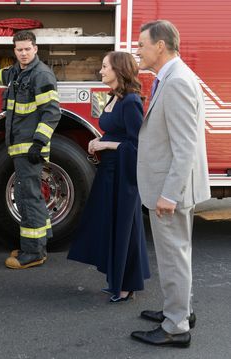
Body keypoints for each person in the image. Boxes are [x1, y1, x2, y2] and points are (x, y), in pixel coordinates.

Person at [131, 20, 210, 347]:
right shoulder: (174, 76)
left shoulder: (176, 81)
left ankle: (175, 328)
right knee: (179, 254)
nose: (138, 51)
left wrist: (168, 194)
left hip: (171, 189)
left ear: (160, 46)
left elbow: (184, 146)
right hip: (175, 186)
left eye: (142, 45)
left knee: (173, 256)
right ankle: (179, 310)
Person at [0, 30, 61, 269]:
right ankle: (38, 243)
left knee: (28, 197)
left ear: (35, 48)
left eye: (27, 49)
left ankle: (33, 252)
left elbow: (52, 112)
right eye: (19, 50)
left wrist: (39, 143)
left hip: (30, 148)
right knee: (31, 195)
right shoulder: (17, 72)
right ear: (14, 51)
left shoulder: (41, 75)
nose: (23, 53)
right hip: (19, 146)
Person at [67, 51, 150, 302]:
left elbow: (138, 146)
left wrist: (106, 146)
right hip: (109, 173)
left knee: (126, 227)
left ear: (118, 70)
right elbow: (118, 133)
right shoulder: (114, 97)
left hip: (124, 176)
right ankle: (118, 281)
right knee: (112, 226)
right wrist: (99, 140)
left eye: (105, 67)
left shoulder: (131, 101)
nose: (100, 71)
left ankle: (126, 287)